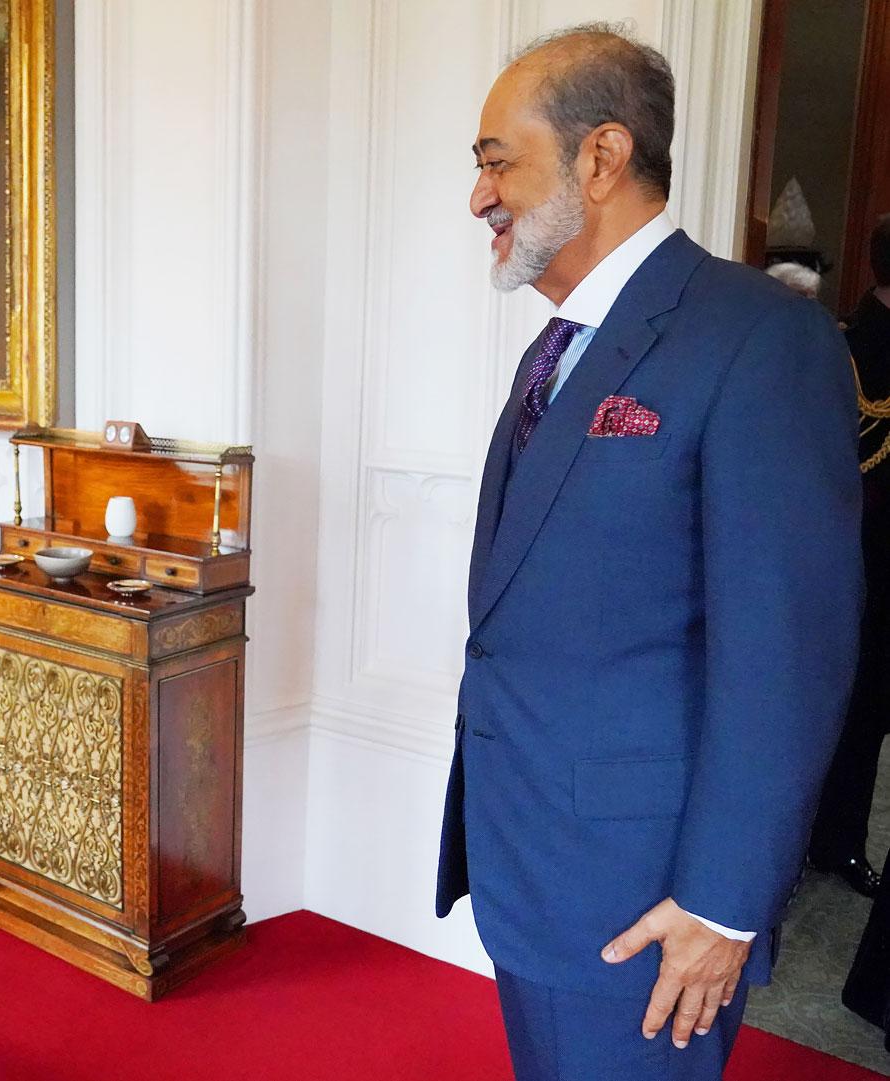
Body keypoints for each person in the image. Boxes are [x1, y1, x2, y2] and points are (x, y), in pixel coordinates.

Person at [436, 23, 862, 1081]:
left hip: (651, 898)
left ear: (602, 157)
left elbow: (788, 652)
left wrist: (725, 900)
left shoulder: (762, 339)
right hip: (531, 860)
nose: (479, 195)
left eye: (497, 160)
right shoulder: (559, 345)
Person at [810, 214, 890, 898]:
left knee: (869, 716)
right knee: (836, 706)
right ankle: (817, 840)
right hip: (847, 557)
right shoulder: (836, 344)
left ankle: (841, 839)